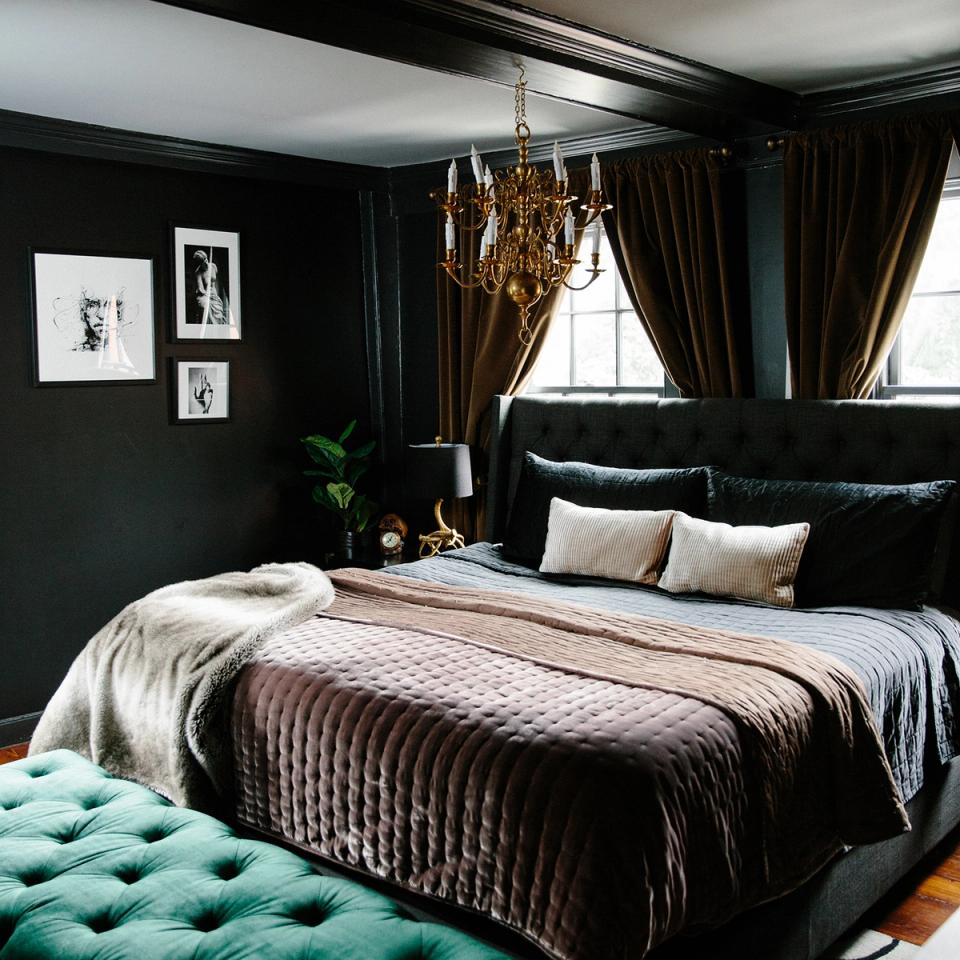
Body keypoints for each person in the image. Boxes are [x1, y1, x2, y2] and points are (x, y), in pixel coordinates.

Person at [192, 248, 227, 325]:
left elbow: (217, 282)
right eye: (203, 262)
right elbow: (201, 289)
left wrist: (214, 295)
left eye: (206, 260)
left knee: (219, 313)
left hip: (214, 295)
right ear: (199, 264)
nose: (206, 263)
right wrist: (207, 295)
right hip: (204, 295)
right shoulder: (198, 273)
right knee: (205, 306)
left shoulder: (213, 266)